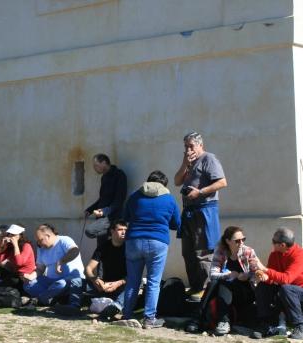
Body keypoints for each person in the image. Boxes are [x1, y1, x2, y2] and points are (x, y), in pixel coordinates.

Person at [123, 170, 181, 329]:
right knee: (153, 282)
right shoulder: (169, 199)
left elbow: (125, 216)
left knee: (133, 281)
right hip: (158, 242)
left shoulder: (135, 196)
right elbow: (176, 224)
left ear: (147, 181)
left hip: (133, 240)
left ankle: (126, 315)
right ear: (164, 184)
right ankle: (149, 319)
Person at [174, 131, 227, 301]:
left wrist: (201, 192)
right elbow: (176, 181)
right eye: (186, 146)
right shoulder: (189, 162)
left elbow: (222, 182)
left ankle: (205, 288)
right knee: (188, 252)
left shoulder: (209, 158)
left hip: (205, 209)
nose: (189, 149)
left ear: (200, 145)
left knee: (203, 251)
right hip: (189, 211)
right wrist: (184, 163)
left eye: (191, 146)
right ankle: (195, 286)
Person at [187, 226, 260, 335]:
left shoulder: (248, 251)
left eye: (243, 239)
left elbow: (256, 273)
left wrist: (246, 275)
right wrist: (230, 274)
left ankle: (197, 319)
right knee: (216, 282)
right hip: (225, 290)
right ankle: (221, 321)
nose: (241, 243)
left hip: (244, 291)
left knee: (218, 283)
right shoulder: (221, 251)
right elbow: (213, 274)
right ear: (228, 241)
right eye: (237, 241)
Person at [253, 227, 303, 340]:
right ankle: (265, 323)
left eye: (274, 242)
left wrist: (266, 270)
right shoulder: (275, 254)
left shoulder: (300, 255)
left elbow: (287, 279)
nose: (272, 244)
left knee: (286, 288)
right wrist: (263, 276)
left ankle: (301, 325)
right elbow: (273, 277)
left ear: (282, 245)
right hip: (284, 289)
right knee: (263, 287)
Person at [23, 224, 85, 315]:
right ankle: (50, 298)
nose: (39, 244)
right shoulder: (41, 248)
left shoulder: (64, 240)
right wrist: (30, 276)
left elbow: (75, 251)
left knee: (61, 284)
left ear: (48, 236)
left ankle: (40, 299)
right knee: (28, 284)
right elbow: (40, 269)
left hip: (69, 280)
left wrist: (61, 261)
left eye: (40, 240)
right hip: (50, 282)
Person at [84, 219, 128, 321]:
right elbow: (88, 268)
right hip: (103, 285)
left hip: (120, 286)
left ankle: (114, 308)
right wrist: (95, 280)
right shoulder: (103, 247)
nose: (123, 232)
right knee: (75, 282)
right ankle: (74, 306)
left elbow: (133, 275)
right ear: (112, 231)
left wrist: (118, 283)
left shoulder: (129, 248)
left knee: (136, 284)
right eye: (120, 229)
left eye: (125, 230)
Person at [85, 154, 127, 245]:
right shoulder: (104, 177)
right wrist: (90, 210)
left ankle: (113, 230)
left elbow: (119, 200)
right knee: (102, 248)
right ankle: (111, 231)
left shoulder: (119, 175)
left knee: (90, 231)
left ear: (104, 163)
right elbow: (102, 199)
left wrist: (104, 211)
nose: (94, 168)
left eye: (96, 165)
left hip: (112, 217)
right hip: (101, 218)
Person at [0, 224, 37, 291]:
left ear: (20, 236)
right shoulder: (5, 245)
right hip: (13, 274)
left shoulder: (26, 246)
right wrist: (2, 247)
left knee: (13, 279)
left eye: (13, 235)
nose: (10, 237)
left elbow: (19, 262)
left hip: (23, 277)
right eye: (9, 235)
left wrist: (15, 245)